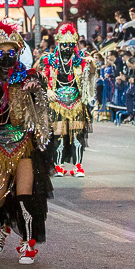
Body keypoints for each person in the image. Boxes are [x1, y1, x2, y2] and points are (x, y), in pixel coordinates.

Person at [0, 20, 52, 264]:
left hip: (23, 143)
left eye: (11, 52)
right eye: (1, 52)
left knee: (24, 194)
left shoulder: (29, 76)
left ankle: (27, 244)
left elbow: (43, 104)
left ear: (18, 53)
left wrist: (35, 89)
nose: (6, 56)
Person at [39, 23, 96, 177]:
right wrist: (49, 90)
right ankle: (58, 166)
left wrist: (91, 63)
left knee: (77, 135)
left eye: (71, 45)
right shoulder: (50, 60)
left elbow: (91, 72)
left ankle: (78, 166)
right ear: (59, 44)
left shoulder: (81, 60)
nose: (67, 48)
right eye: (64, 45)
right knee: (59, 135)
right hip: (58, 104)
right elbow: (42, 79)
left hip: (76, 104)